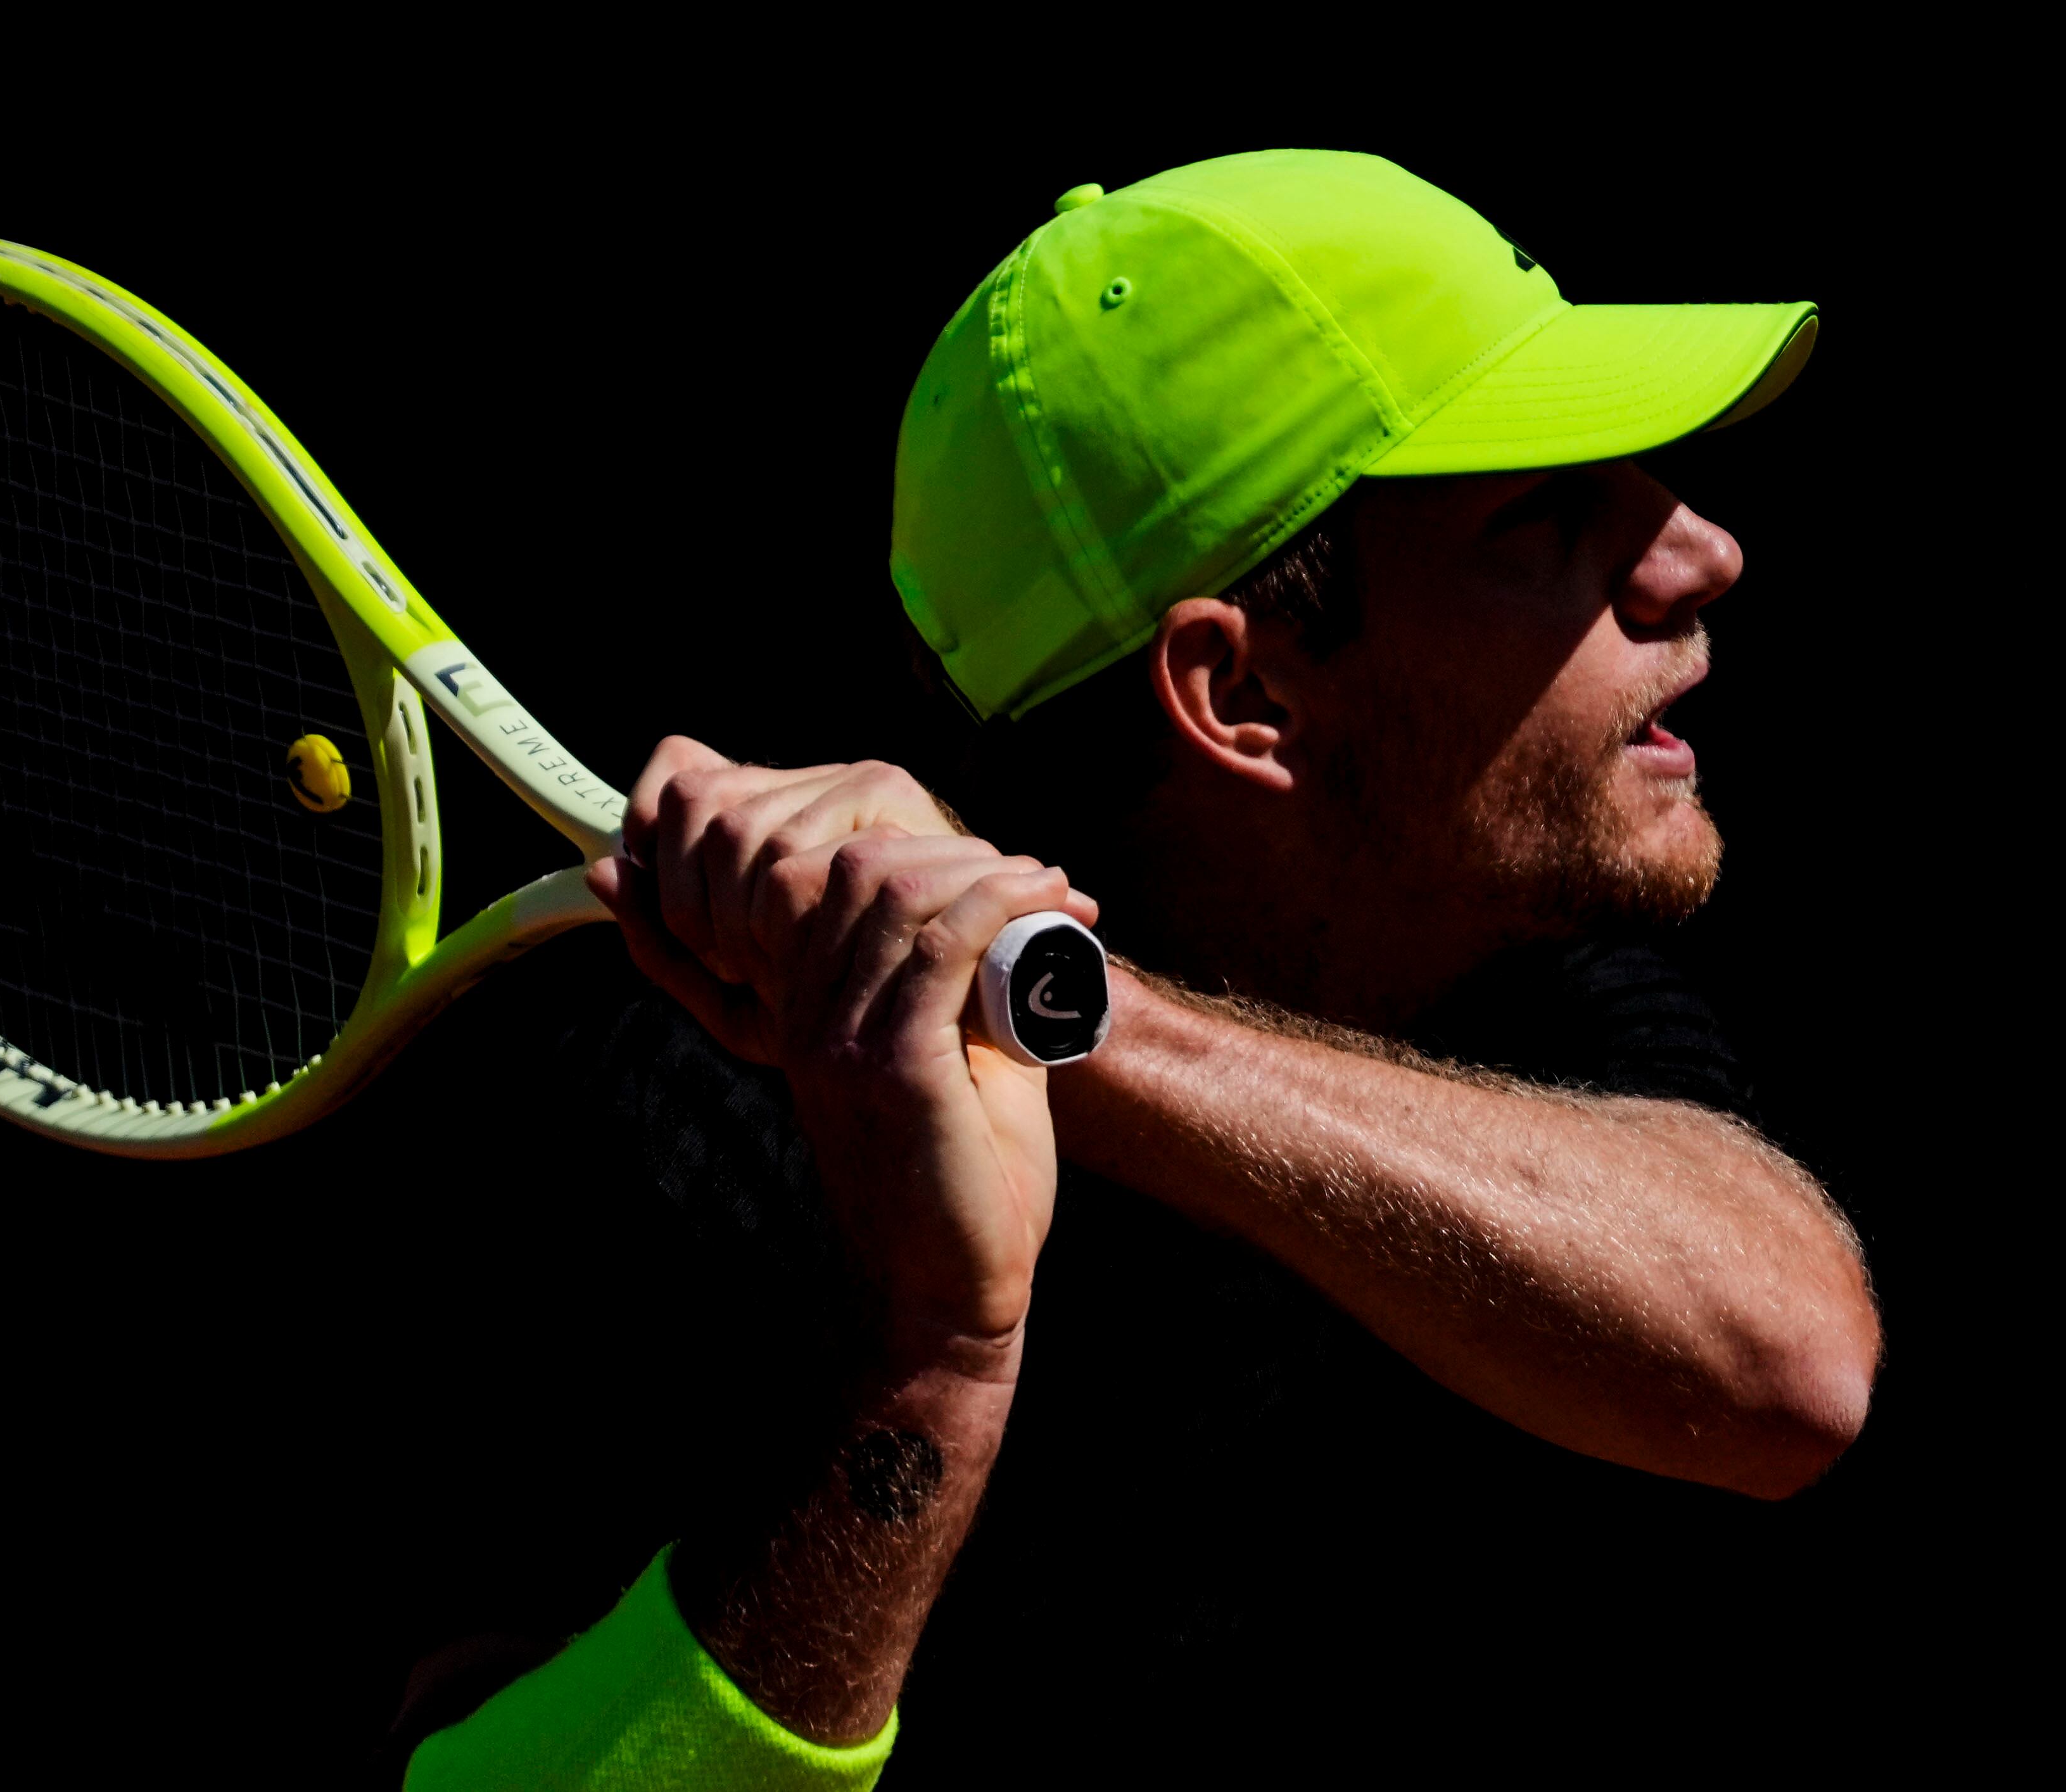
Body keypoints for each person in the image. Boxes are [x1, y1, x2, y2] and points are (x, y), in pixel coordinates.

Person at [396, 149, 1880, 1788]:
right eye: (1545, 514)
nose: (1699, 553)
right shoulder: (692, 1117)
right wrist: (931, 1356)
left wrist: (1054, 1014)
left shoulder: (1528, 981)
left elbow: (1784, 1364)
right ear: (1241, 698)